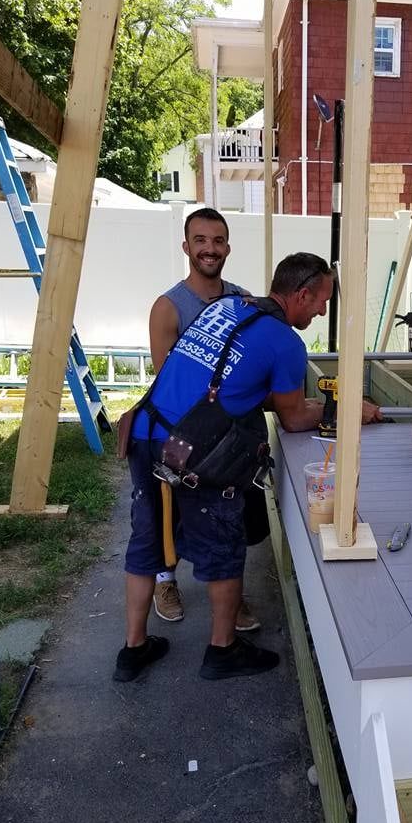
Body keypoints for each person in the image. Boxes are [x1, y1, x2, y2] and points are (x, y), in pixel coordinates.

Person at [114, 252, 382, 683]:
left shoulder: (227, 307)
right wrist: (346, 411)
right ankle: (223, 651)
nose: (322, 311)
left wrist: (314, 404)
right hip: (192, 451)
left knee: (146, 540)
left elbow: (238, 383)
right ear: (301, 294)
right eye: (322, 301)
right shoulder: (286, 343)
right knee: (222, 542)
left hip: (146, 432)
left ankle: (133, 650)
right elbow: (293, 418)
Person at [149, 207, 260, 631]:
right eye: (200, 241)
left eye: (217, 241)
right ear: (186, 247)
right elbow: (168, 384)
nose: (209, 249)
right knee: (170, 504)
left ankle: (231, 592)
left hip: (233, 435)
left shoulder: (242, 301)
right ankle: (165, 579)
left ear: (227, 247)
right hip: (183, 429)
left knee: (229, 514)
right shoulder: (168, 307)